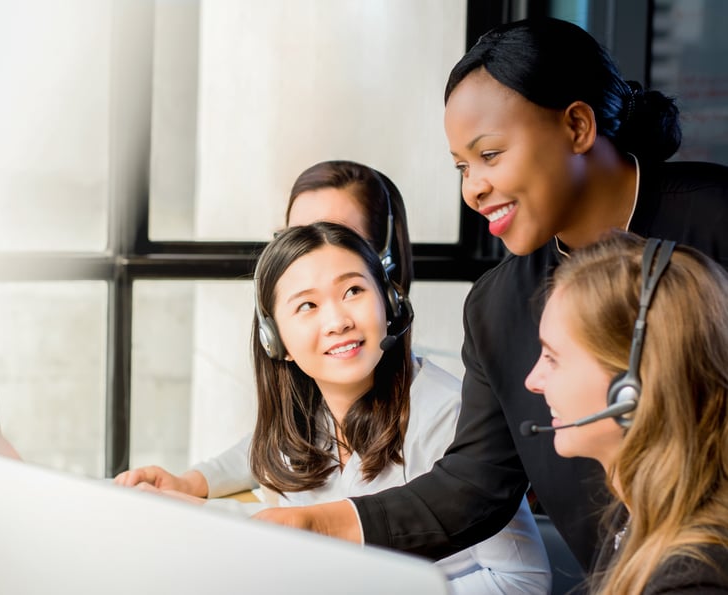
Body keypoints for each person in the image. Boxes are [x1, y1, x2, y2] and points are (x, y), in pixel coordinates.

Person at [250, 16, 728, 574]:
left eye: (491, 155)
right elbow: (476, 486)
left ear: (576, 126)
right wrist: (319, 522)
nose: (472, 189)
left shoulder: (716, 220)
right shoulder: (498, 306)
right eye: (461, 166)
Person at [132, 220, 552, 594]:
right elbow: (280, 503)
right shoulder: (304, 419)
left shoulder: (447, 415)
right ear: (274, 342)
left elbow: (524, 581)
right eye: (307, 306)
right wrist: (188, 491)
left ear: (389, 304)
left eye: (353, 290)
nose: (337, 321)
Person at [115, 159, 413, 498]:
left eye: (341, 237)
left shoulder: (436, 412)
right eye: (298, 236)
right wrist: (191, 483)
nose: (316, 250)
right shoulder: (316, 391)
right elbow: (272, 446)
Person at [524, 232, 728, 594]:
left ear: (632, 389)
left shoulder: (695, 580)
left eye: (552, 358)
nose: (532, 381)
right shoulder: (638, 512)